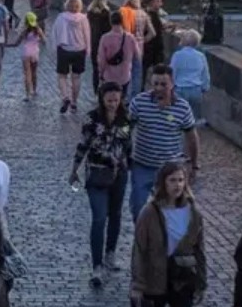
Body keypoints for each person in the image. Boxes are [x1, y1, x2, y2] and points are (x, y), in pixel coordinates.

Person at [130, 161, 207, 307]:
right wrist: (137, 285)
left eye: (181, 180)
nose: (177, 185)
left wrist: (201, 282)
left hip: (183, 280)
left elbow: (199, 250)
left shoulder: (193, 212)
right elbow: (139, 250)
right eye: (172, 180)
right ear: (163, 183)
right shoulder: (149, 212)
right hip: (155, 281)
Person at [70, 82, 132, 287]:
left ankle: (110, 254)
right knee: (99, 217)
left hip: (119, 173)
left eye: (116, 100)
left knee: (115, 214)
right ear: (102, 99)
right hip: (97, 174)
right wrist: (74, 169)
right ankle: (96, 266)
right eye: (109, 100)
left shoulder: (126, 117)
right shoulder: (92, 119)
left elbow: (128, 145)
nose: (113, 104)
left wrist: (130, 165)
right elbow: (83, 144)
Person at [127, 65, 200, 224]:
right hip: (142, 165)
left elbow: (192, 137)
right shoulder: (139, 102)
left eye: (163, 84)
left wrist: (194, 164)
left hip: (170, 168)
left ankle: (163, 237)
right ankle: (142, 235)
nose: (159, 88)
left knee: (170, 209)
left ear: (172, 84)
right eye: (155, 84)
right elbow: (126, 129)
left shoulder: (182, 107)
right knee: (138, 207)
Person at [52, 0, 91, 115]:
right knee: (76, 77)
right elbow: (87, 34)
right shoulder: (83, 18)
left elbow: (55, 33)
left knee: (62, 76)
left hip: (64, 49)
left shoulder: (61, 17)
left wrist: (54, 48)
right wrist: (88, 49)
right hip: (79, 50)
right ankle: (74, 102)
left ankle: (65, 97)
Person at [169, 30, 211, 124]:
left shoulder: (177, 55)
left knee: (176, 114)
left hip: (180, 88)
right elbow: (205, 74)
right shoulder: (201, 56)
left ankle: (174, 126)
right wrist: (205, 87)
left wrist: (170, 87)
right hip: (196, 89)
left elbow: (172, 72)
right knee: (193, 116)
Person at [97, 12, 137, 95]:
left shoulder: (105, 38)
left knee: (110, 98)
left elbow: (101, 59)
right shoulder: (130, 38)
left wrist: (101, 73)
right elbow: (137, 55)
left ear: (110, 22)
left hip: (109, 76)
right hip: (124, 76)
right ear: (122, 21)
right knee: (122, 97)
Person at [86, 0, 114, 95]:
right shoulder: (106, 13)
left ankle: (95, 88)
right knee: (105, 66)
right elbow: (109, 28)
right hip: (104, 43)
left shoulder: (90, 13)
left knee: (95, 68)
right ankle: (104, 86)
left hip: (93, 42)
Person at [16, 12, 45, 101]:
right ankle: (34, 90)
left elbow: (17, 42)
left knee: (27, 74)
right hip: (35, 53)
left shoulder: (24, 31)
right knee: (34, 73)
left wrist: (8, 44)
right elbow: (44, 41)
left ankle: (27, 94)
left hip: (26, 53)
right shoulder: (38, 30)